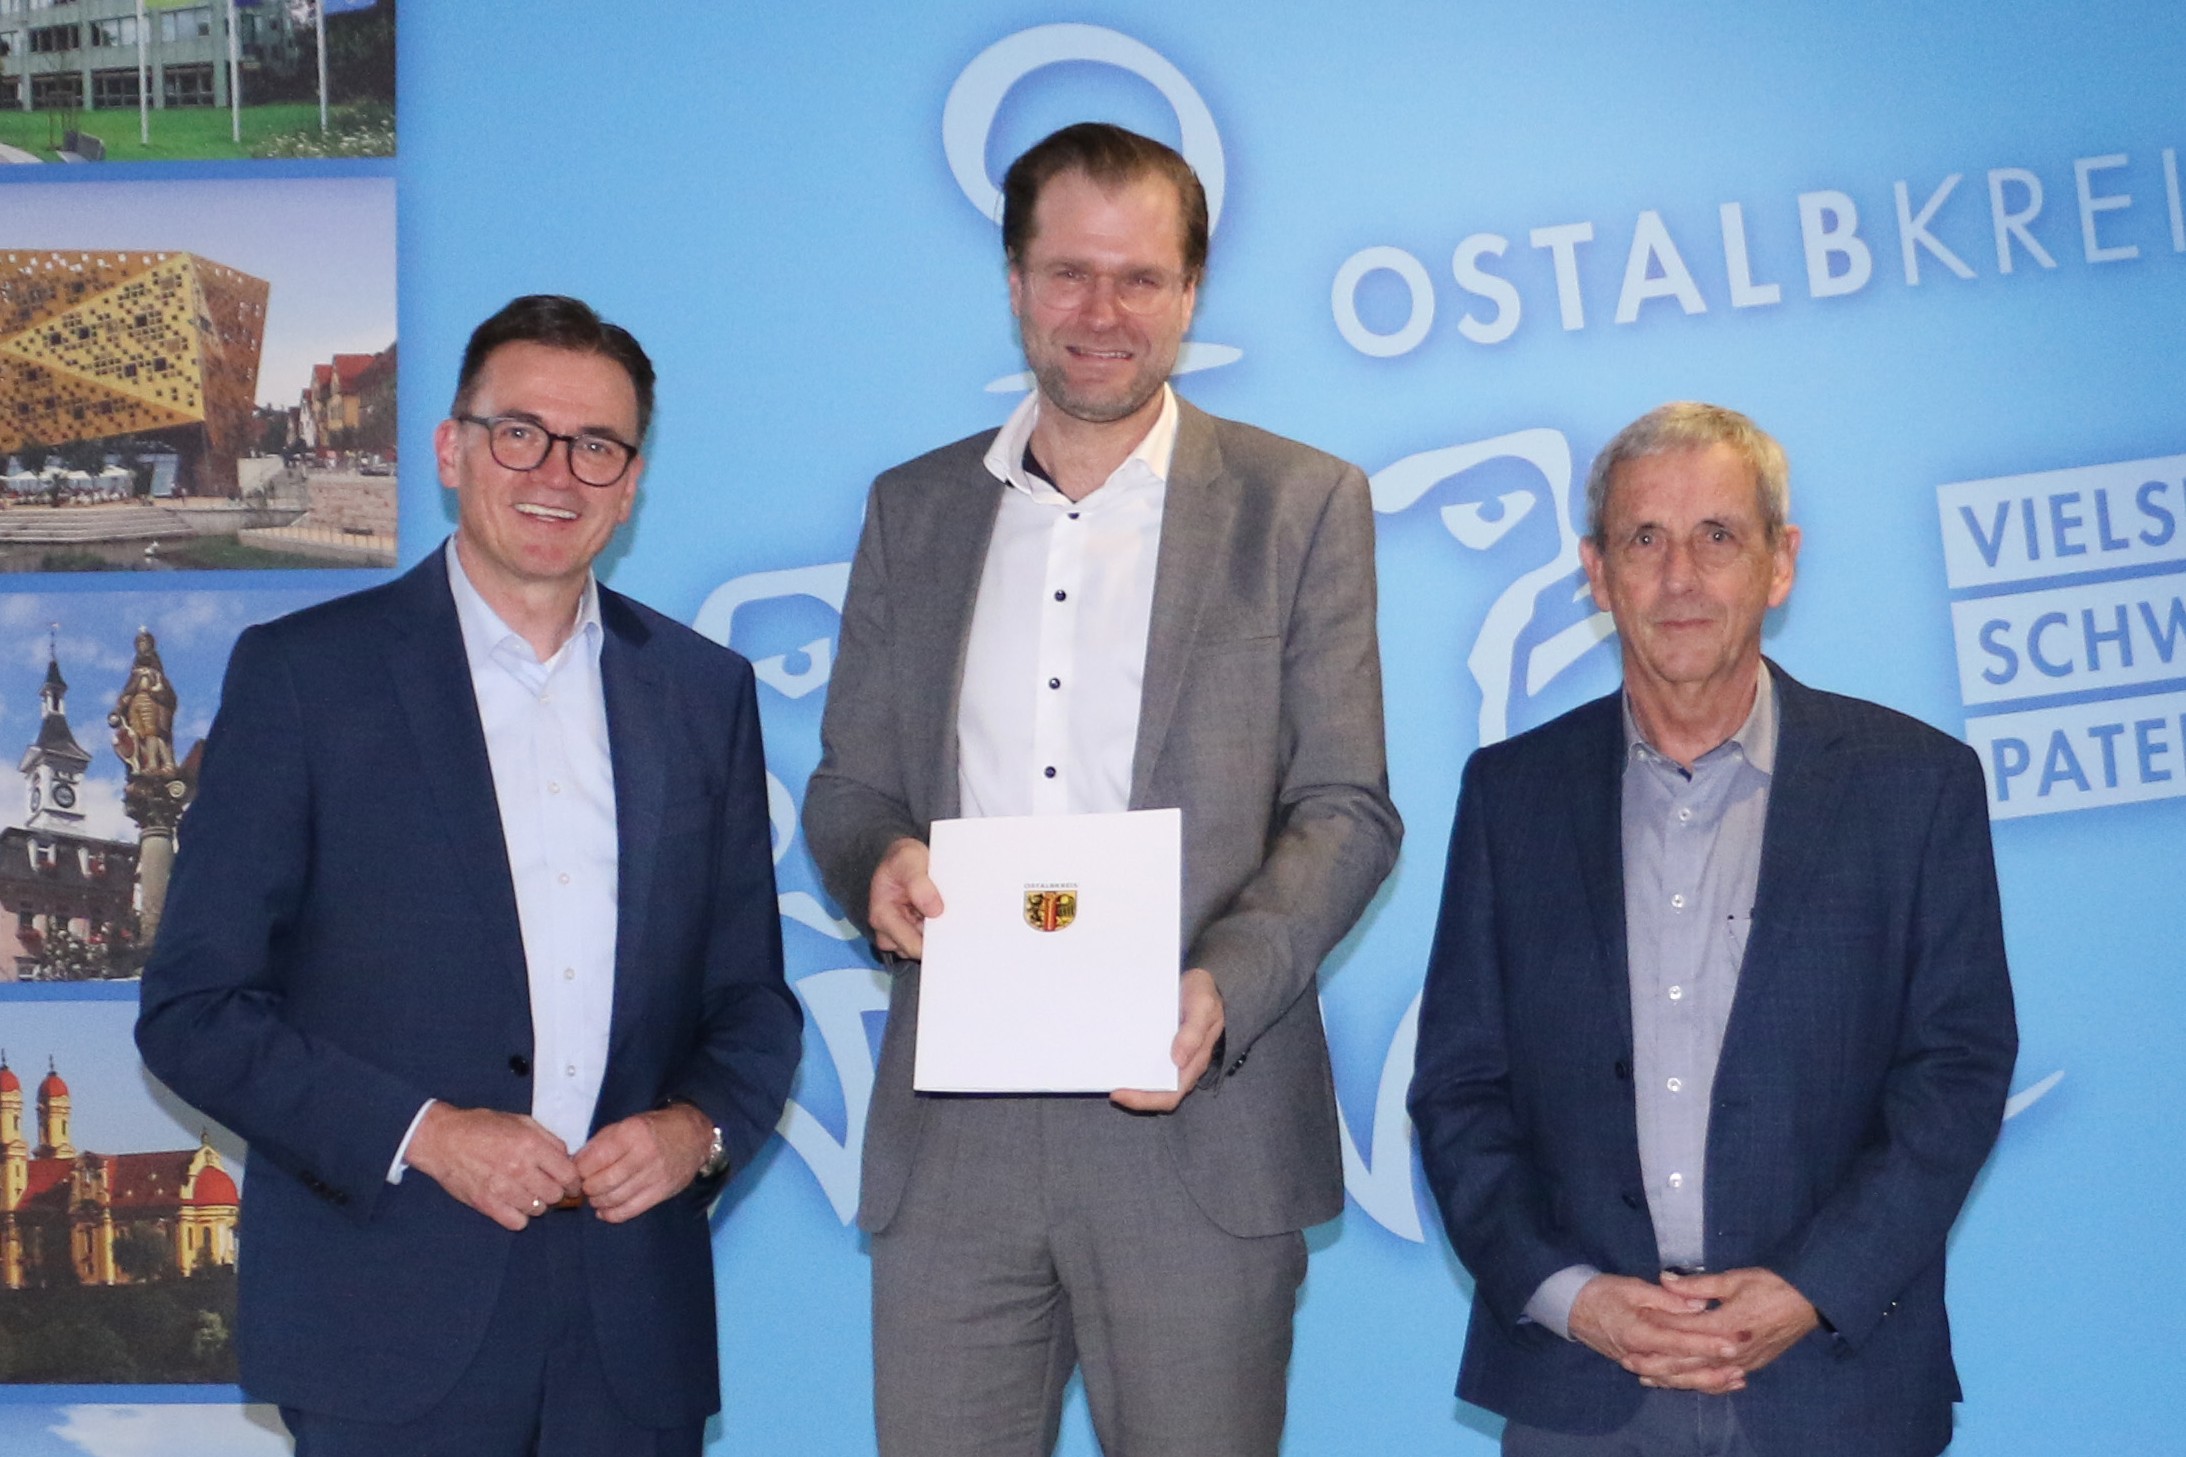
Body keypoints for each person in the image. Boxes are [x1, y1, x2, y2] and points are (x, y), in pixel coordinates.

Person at [803, 122, 1401, 1457]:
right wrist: (877, 861)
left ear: (1189, 294)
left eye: (1139, 279)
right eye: (1068, 272)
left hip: (1195, 1120)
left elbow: (1345, 807)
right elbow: (848, 786)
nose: (1100, 312)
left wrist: (1222, 987)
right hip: (953, 1139)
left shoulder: (1299, 504)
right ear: (1015, 282)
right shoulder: (912, 510)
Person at [135, 294, 803, 1456]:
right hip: (387, 1321)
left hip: (630, 1333)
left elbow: (749, 1000)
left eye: (596, 445)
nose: (556, 473)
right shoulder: (306, 677)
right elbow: (194, 1010)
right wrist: (427, 1132)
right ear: (452, 449)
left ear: (631, 483)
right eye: (520, 432)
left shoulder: (702, 695)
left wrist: (696, 1129)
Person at [1407, 401, 2018, 1457]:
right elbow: (1460, 1088)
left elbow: (1956, 1070)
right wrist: (1570, 1294)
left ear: (1780, 564)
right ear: (1596, 574)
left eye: (1717, 536)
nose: (1679, 576)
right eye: (1644, 538)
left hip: (1834, 1382)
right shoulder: (1511, 795)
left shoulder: (1914, 786)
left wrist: (1811, 1287)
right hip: (1582, 1386)